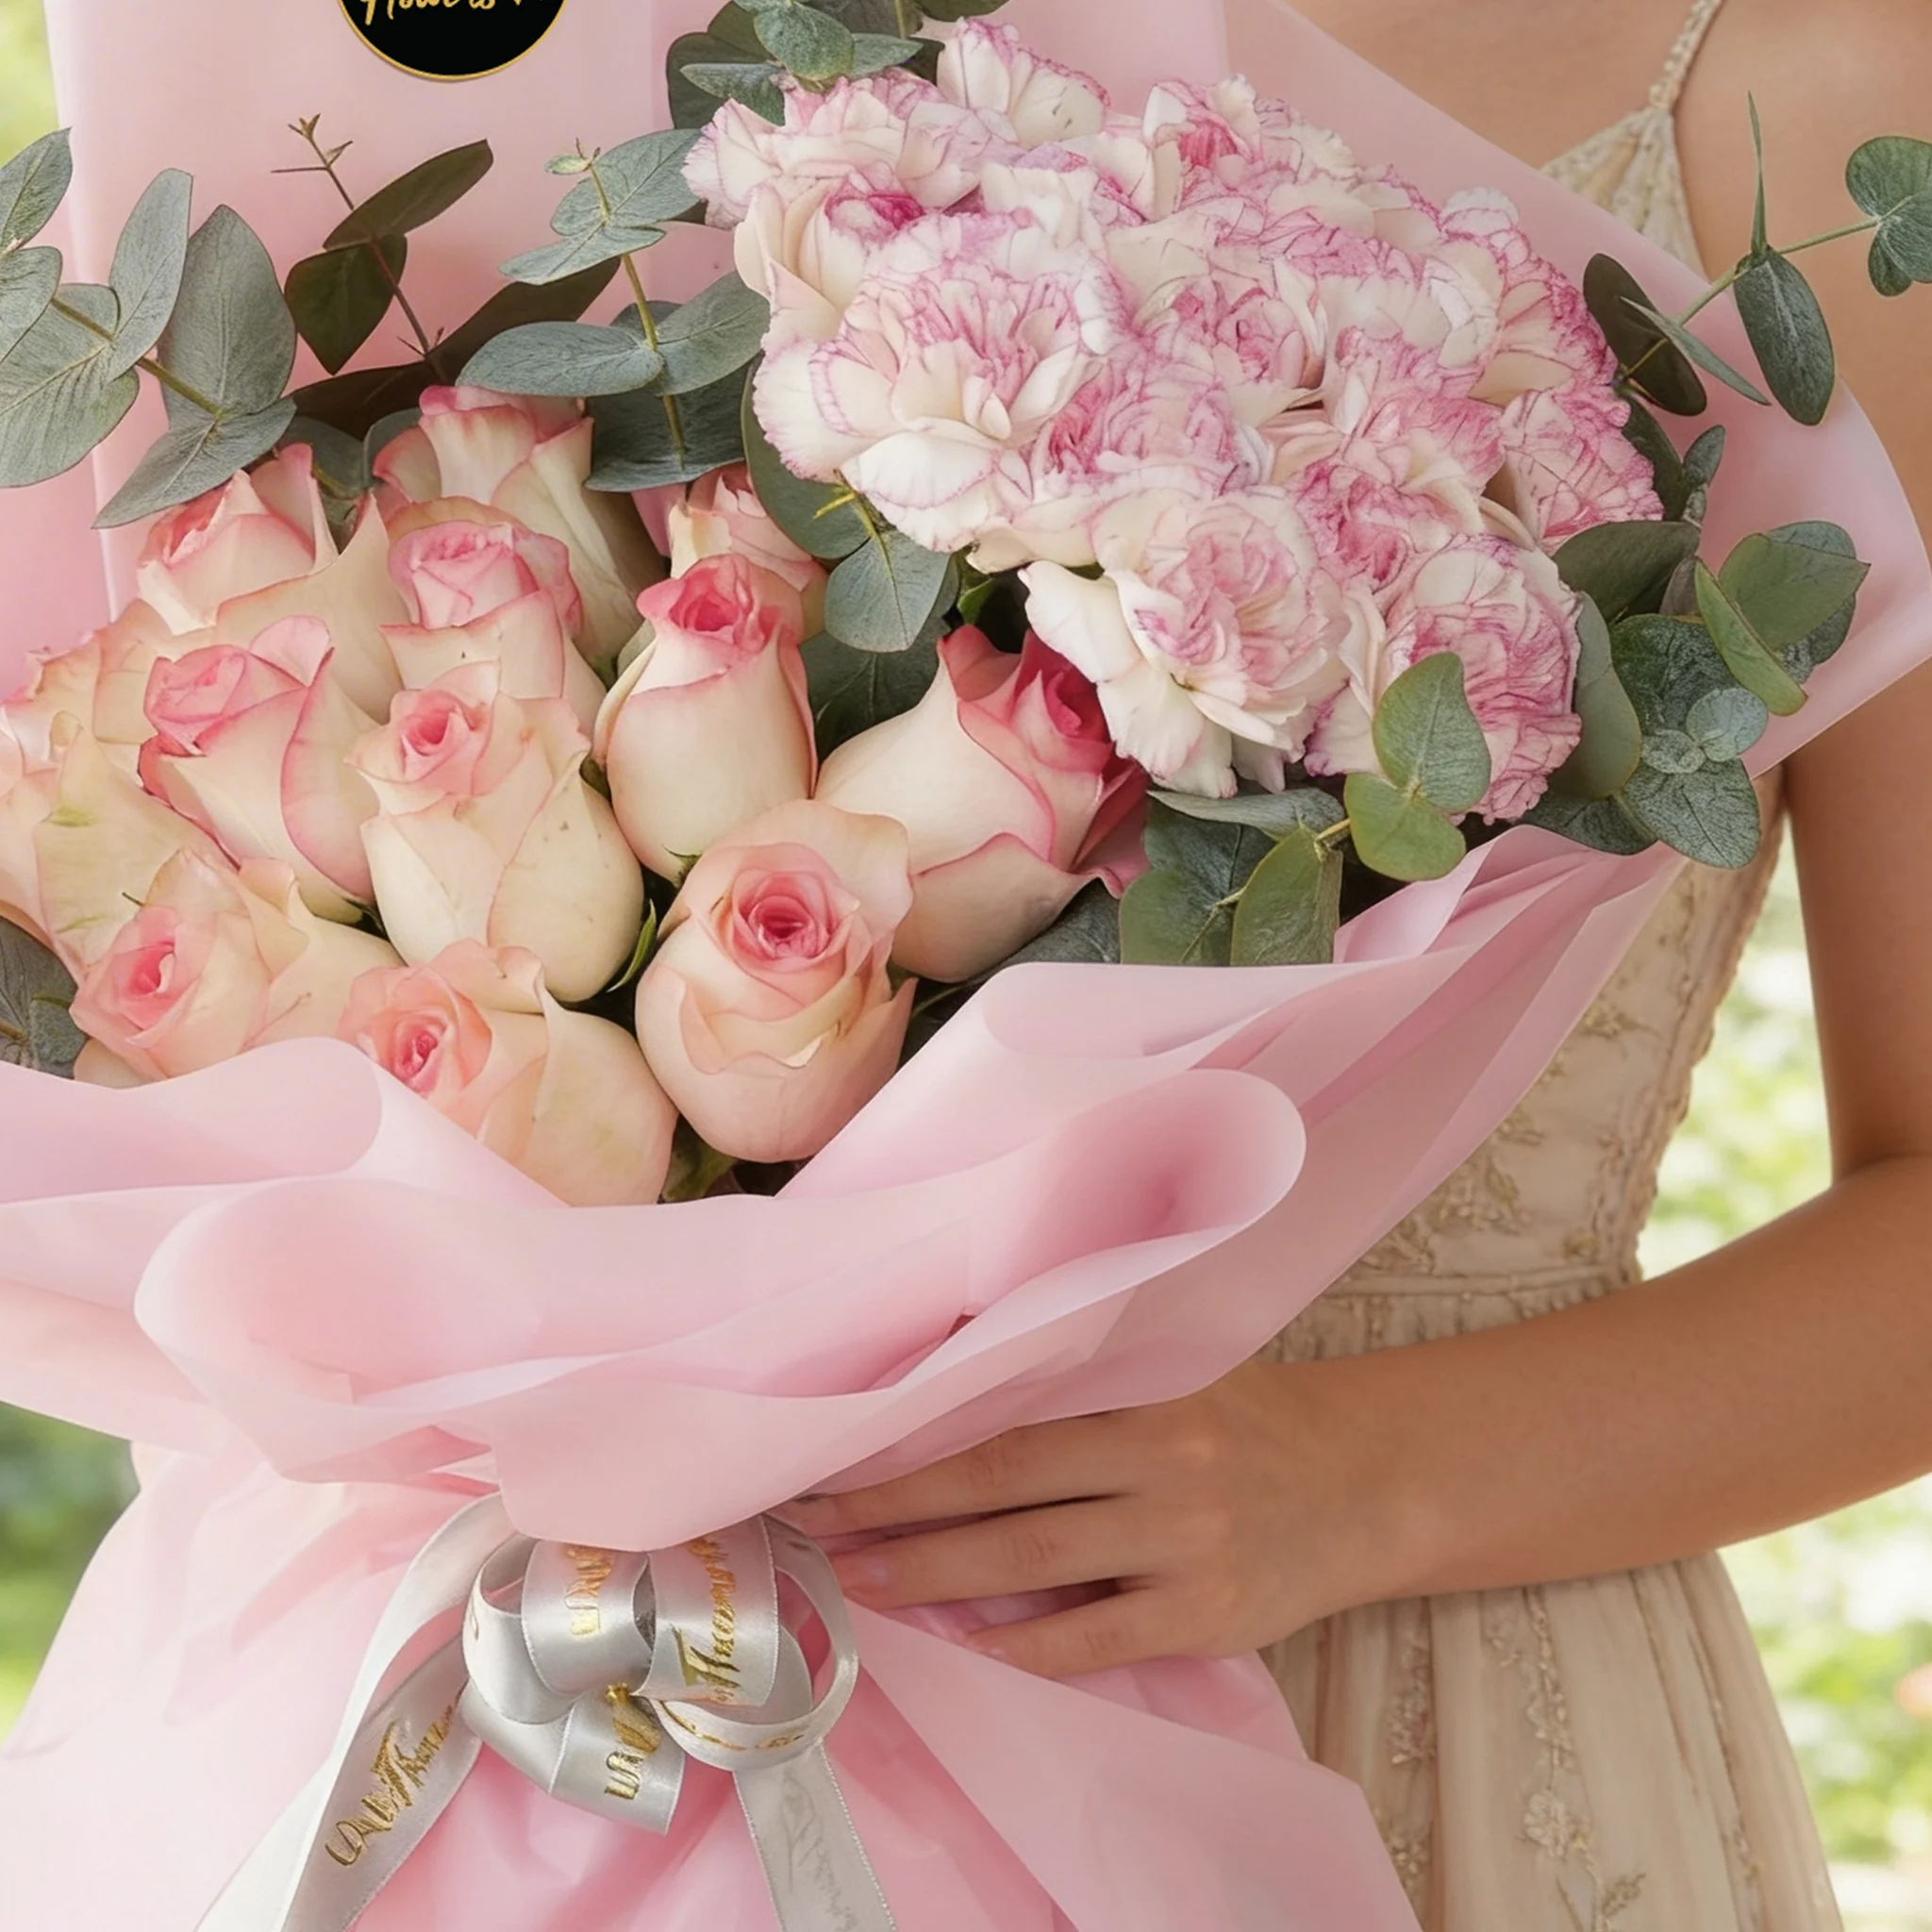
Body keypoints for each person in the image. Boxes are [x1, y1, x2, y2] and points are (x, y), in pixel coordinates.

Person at [783, 2, 1932, 1925]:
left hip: (1461, 1697)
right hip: (777, 1674)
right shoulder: (750, 62)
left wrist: (1351, 1477)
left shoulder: (1827, 109)